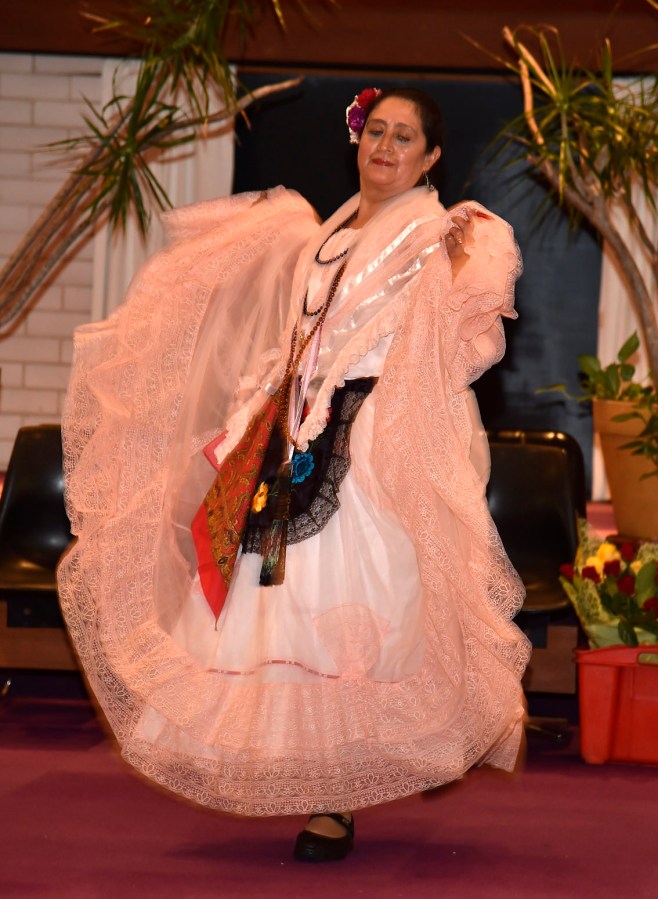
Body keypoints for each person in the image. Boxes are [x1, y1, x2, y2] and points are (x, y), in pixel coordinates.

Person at [58, 86, 530, 863]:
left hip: (368, 443)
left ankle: (335, 794)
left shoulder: (437, 233)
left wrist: (462, 256)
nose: (385, 147)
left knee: (351, 613)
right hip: (292, 435)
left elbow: (462, 326)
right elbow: (294, 337)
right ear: (358, 139)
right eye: (376, 131)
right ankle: (310, 775)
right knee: (277, 609)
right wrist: (256, 414)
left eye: (404, 137)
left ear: (431, 158)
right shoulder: (327, 233)